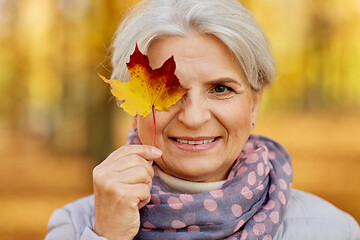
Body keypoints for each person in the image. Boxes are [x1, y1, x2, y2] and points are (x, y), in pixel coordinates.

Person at [45, 0, 360, 239]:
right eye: (169, 92)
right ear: (133, 106)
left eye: (221, 88)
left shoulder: (331, 229)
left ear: (254, 102)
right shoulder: (76, 226)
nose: (194, 118)